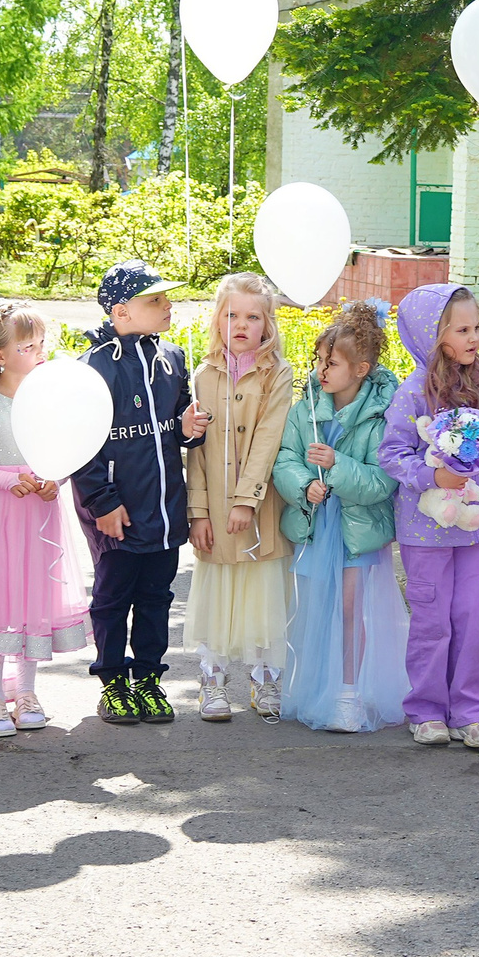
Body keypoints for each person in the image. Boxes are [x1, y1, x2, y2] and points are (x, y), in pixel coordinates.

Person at [0, 301, 92, 735]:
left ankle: (27, 691)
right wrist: (6, 480)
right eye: (28, 346)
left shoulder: (50, 398)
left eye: (42, 344)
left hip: (38, 516)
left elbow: (65, 452)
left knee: (32, 597)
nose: (40, 352)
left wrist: (55, 478)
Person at [76, 260, 207, 727]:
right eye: (155, 300)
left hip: (165, 510)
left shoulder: (171, 357)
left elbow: (175, 426)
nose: (167, 305)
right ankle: (113, 681)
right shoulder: (92, 369)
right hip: (117, 512)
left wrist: (188, 430)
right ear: (121, 312)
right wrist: (102, 504)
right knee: (113, 599)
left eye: (165, 297)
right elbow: (79, 444)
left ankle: (149, 679)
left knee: (156, 598)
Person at [381, 283, 479, 750]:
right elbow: (392, 454)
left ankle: (470, 712)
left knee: (475, 616)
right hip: (424, 531)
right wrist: (432, 476)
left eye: (477, 327)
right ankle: (426, 710)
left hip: (473, 531)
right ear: (430, 335)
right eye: (462, 329)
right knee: (433, 620)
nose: (474, 337)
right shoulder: (412, 391)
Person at [273, 301, 408, 732]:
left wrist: (336, 466)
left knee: (351, 606)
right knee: (316, 606)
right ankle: (315, 689)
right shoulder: (306, 410)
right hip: (317, 524)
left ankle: (349, 692)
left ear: (361, 368)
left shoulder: (380, 417)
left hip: (356, 527)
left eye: (331, 363)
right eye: (318, 361)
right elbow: (286, 459)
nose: (321, 371)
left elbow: (382, 482)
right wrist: (303, 486)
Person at [184, 274, 297, 721]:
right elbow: (196, 452)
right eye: (232, 315)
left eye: (253, 317)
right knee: (217, 596)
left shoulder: (277, 373)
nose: (242, 324)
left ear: (268, 325)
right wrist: (197, 511)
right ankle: (212, 681)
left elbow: (269, 439)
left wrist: (248, 500)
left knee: (261, 595)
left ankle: (265, 679)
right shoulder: (203, 373)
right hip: (213, 507)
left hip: (260, 509)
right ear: (218, 318)